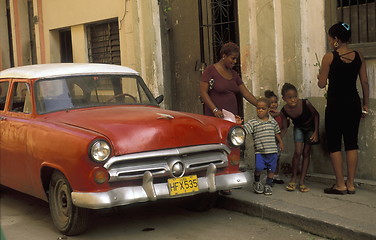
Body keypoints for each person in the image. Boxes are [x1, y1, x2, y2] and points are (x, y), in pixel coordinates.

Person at [317, 22, 369, 195]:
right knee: (352, 143)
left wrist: (320, 76)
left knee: (335, 144)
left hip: (335, 105)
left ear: (337, 39)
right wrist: (365, 104)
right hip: (353, 104)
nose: (330, 42)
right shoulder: (359, 55)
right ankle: (351, 184)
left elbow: (322, 83)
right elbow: (364, 82)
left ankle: (340, 184)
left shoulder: (329, 57)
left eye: (331, 39)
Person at [237, 98, 284, 195]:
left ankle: (268, 185)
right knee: (258, 168)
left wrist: (281, 142)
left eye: (263, 108)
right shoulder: (253, 122)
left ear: (268, 110)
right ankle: (257, 182)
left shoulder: (272, 121)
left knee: (271, 169)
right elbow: (244, 130)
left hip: (272, 151)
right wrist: (238, 124)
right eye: (258, 108)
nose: (260, 110)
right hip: (260, 152)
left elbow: (277, 132)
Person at [200, 42, 257, 119]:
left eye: (236, 59)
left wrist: (261, 105)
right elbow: (203, 92)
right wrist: (215, 110)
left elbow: (246, 94)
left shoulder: (234, 74)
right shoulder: (210, 70)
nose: (235, 61)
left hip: (231, 118)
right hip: (215, 117)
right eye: (233, 58)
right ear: (224, 56)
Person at [280, 83, 319, 192]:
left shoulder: (305, 103)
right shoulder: (284, 111)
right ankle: (293, 179)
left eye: (295, 96)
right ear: (284, 99)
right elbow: (284, 127)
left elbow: (316, 115)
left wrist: (316, 132)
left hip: (310, 129)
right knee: (297, 152)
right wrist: (278, 139)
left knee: (306, 153)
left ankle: (302, 181)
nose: (293, 100)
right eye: (290, 97)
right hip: (298, 128)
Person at [264, 90, 286, 184]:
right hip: (268, 140)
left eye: (275, 102)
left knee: (277, 158)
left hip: (277, 140)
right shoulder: (266, 114)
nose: (274, 104)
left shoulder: (279, 114)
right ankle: (269, 176)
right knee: (270, 159)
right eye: (271, 102)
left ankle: (275, 175)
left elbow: (283, 127)